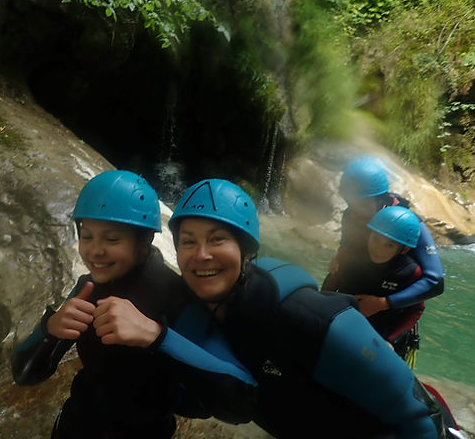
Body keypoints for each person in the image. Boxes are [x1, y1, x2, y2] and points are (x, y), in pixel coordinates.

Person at [103, 179, 454, 438]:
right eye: (188, 242)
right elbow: (218, 399)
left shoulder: (311, 317)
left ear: (246, 251)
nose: (201, 255)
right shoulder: (205, 315)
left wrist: (157, 336)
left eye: (218, 239)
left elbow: (420, 417)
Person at [10, 170, 193, 439]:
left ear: (145, 241)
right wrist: (50, 329)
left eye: (111, 239)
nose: (94, 251)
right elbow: (24, 375)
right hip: (78, 426)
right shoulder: (88, 288)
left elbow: (204, 398)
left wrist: (158, 338)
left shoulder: (176, 295)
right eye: (87, 236)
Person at [328, 156, 444, 317]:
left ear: (382, 201)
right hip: (356, 293)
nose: (354, 212)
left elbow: (435, 282)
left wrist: (385, 303)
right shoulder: (351, 215)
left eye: (362, 205)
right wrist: (339, 256)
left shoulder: (410, 224)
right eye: (350, 203)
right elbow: (347, 245)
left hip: (390, 305)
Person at [322, 205, 426, 358]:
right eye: (375, 239)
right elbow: (331, 284)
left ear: (404, 250)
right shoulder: (351, 255)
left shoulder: (410, 272)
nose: (378, 249)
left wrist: (391, 340)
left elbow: (415, 309)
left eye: (389, 245)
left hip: (382, 337)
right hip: (342, 326)